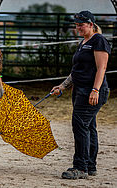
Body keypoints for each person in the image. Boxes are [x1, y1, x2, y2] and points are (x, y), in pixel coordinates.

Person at [51, 10, 111, 179]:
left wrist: (95, 90)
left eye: (81, 25)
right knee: (89, 127)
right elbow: (76, 71)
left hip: (90, 91)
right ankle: (90, 166)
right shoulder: (84, 42)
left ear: (91, 24)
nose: (78, 28)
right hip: (79, 90)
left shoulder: (99, 41)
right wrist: (62, 86)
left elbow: (102, 68)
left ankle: (80, 167)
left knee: (80, 126)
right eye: (76, 25)